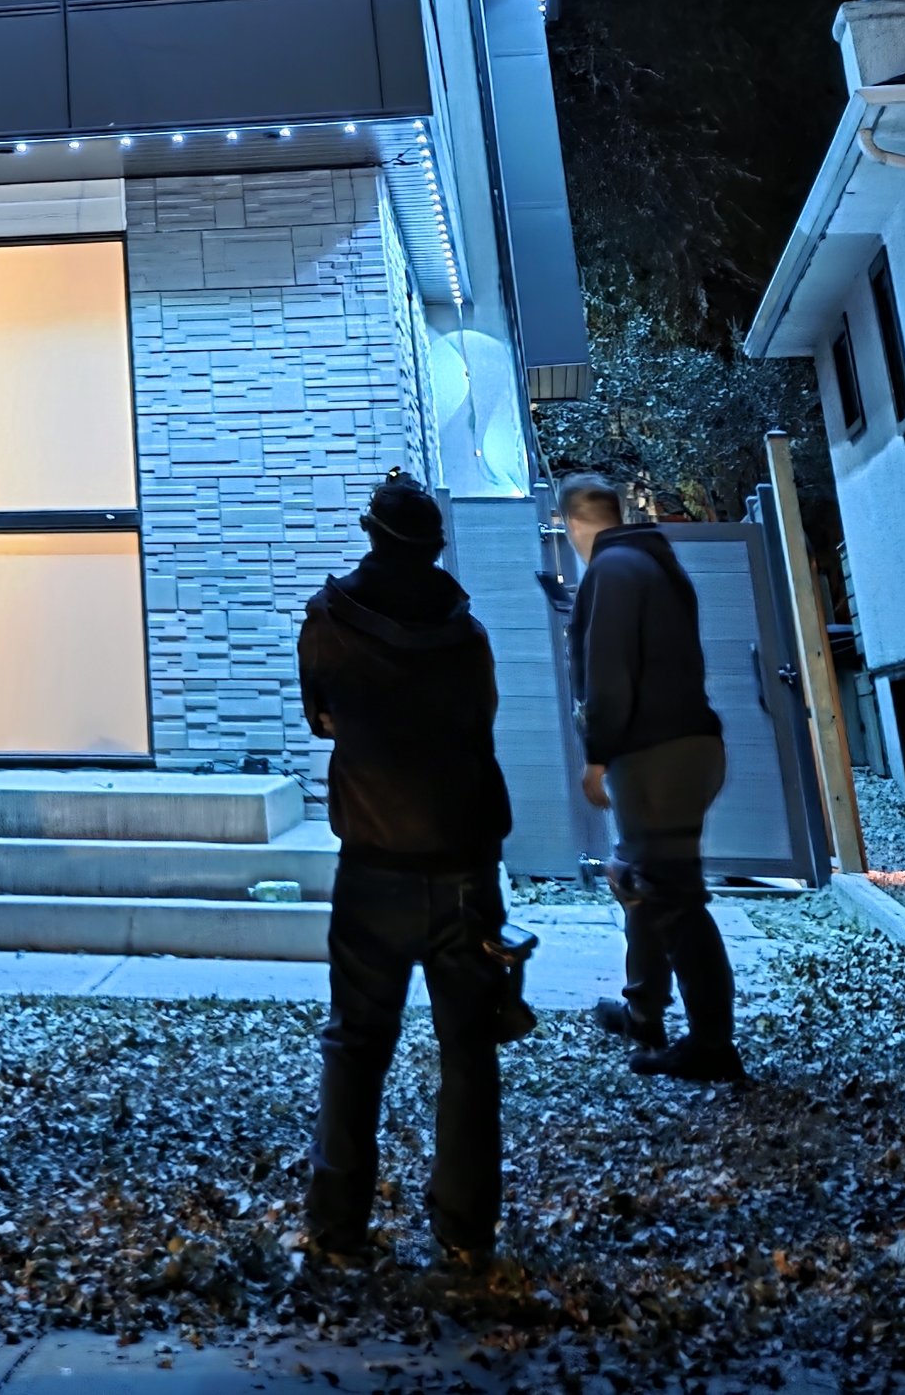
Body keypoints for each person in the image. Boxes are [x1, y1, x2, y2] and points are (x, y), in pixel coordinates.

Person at [297, 472, 515, 1275]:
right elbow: (481, 722)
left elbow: (322, 718)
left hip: (371, 864)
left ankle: (337, 1228)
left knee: (355, 1045)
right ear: (434, 545)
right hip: (463, 866)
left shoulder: (327, 622)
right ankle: (466, 1231)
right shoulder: (468, 635)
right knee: (470, 1051)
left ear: (370, 534)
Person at [558, 471, 743, 1082]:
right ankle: (644, 1013)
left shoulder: (610, 571)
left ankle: (712, 1045)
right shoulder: (657, 565)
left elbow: (608, 672)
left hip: (654, 755)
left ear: (573, 523)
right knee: (641, 880)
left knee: (674, 898)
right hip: (691, 745)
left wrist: (596, 755)